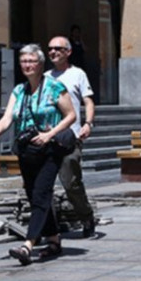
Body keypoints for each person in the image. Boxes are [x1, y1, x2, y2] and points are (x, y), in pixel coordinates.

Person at [0, 44, 76, 266]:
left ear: (40, 64)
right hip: (28, 151)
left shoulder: (54, 87)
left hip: (51, 150)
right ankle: (53, 239)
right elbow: (8, 117)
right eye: (23, 61)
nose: (27, 65)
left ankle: (28, 245)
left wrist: (49, 134)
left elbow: (71, 115)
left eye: (31, 61)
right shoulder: (19, 90)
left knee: (41, 194)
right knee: (34, 195)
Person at [45, 36, 96, 237]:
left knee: (71, 183)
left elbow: (88, 102)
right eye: (50, 48)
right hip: (47, 139)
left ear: (68, 52)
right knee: (44, 185)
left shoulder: (77, 74)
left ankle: (86, 217)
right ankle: (48, 228)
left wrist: (88, 123)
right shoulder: (45, 76)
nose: (53, 52)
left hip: (70, 138)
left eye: (58, 48)